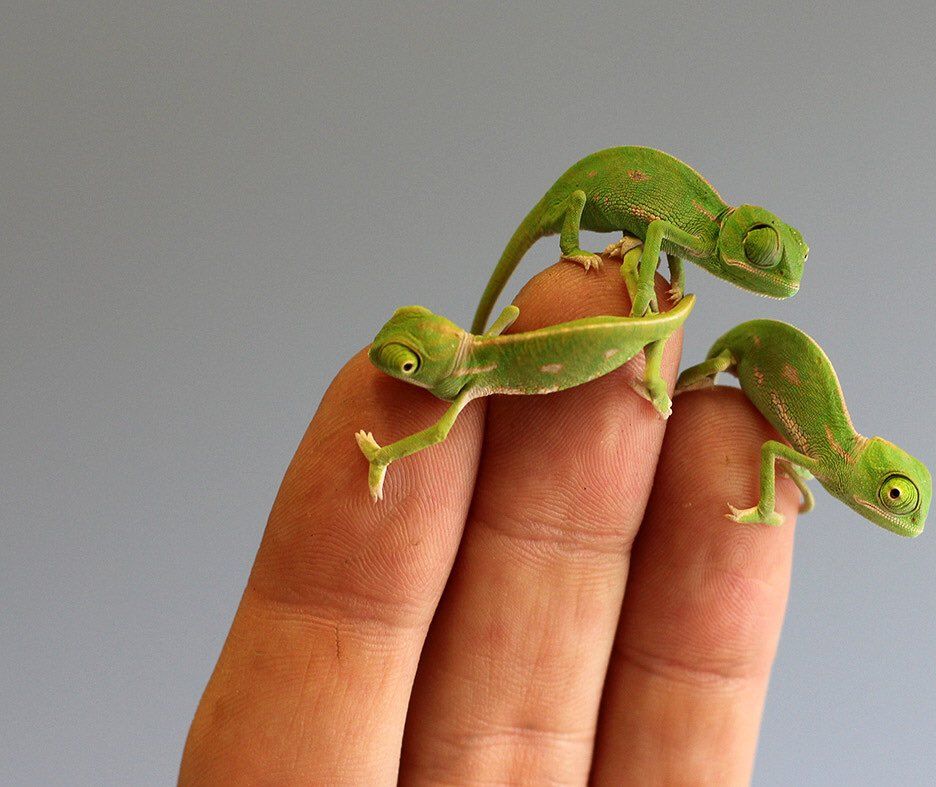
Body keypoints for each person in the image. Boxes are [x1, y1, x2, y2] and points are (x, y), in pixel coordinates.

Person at [179, 258, 801, 784]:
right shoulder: (488, 348)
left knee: (634, 354)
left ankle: (659, 337)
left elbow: (430, 436)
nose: (397, 374)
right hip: (611, 341)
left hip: (614, 356)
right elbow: (501, 325)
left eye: (407, 367)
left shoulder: (473, 379)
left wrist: (380, 457)